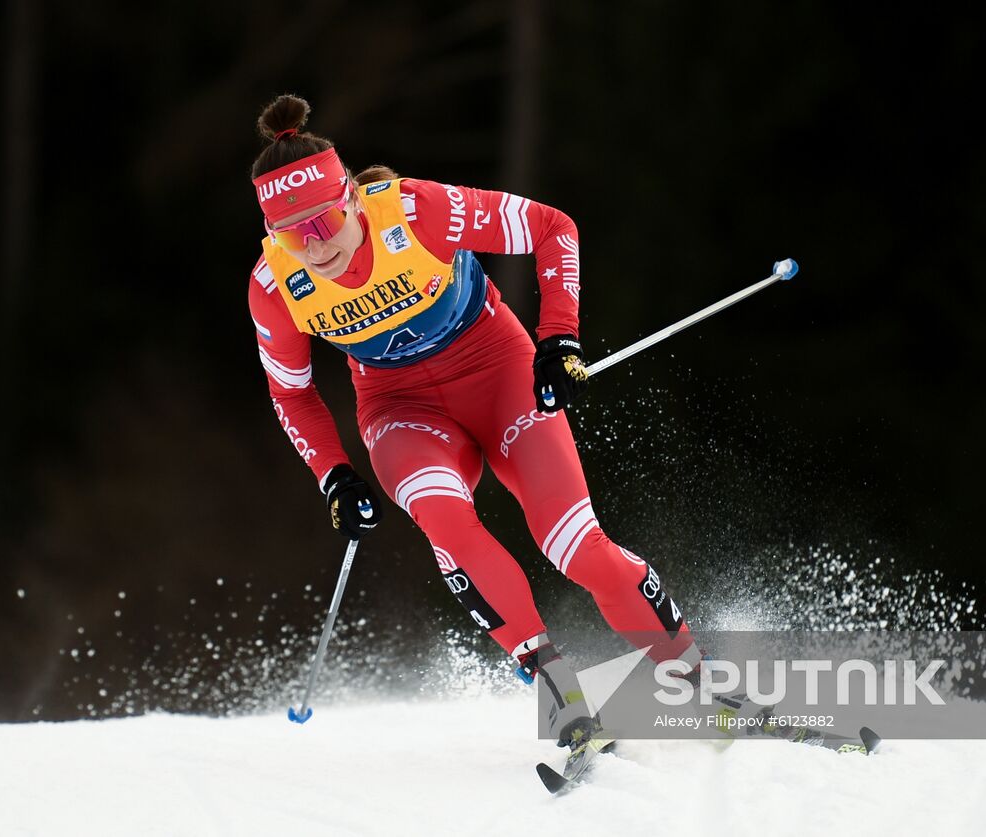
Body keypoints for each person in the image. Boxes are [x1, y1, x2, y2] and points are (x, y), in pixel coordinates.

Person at [247, 94, 703, 746]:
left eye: (324, 223)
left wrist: (560, 339)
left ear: (351, 198)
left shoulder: (415, 209)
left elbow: (554, 227)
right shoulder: (273, 283)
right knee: (444, 518)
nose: (315, 248)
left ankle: (700, 683)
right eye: (294, 235)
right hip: (399, 407)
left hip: (499, 372)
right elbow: (291, 394)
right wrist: (334, 475)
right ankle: (560, 694)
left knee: (574, 544)